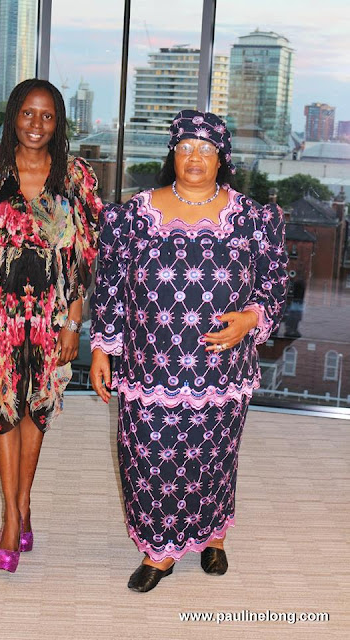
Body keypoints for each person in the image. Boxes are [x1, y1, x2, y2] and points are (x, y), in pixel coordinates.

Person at [90, 110, 288, 592]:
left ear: (222, 158)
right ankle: (158, 552)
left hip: (222, 371)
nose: (194, 157)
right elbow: (111, 286)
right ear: (172, 154)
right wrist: (101, 349)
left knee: (213, 458)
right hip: (147, 365)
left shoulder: (254, 220)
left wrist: (252, 318)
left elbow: (276, 284)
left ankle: (213, 536)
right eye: (185, 148)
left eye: (205, 149)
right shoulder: (131, 216)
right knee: (148, 456)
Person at [0, 79, 102, 572]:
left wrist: (75, 321)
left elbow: (86, 255)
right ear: (13, 117)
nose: (36, 124)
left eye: (46, 116)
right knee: (5, 409)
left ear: (59, 123)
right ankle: (12, 517)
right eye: (28, 114)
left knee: (39, 411)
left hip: (53, 310)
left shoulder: (76, 177)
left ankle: (23, 501)